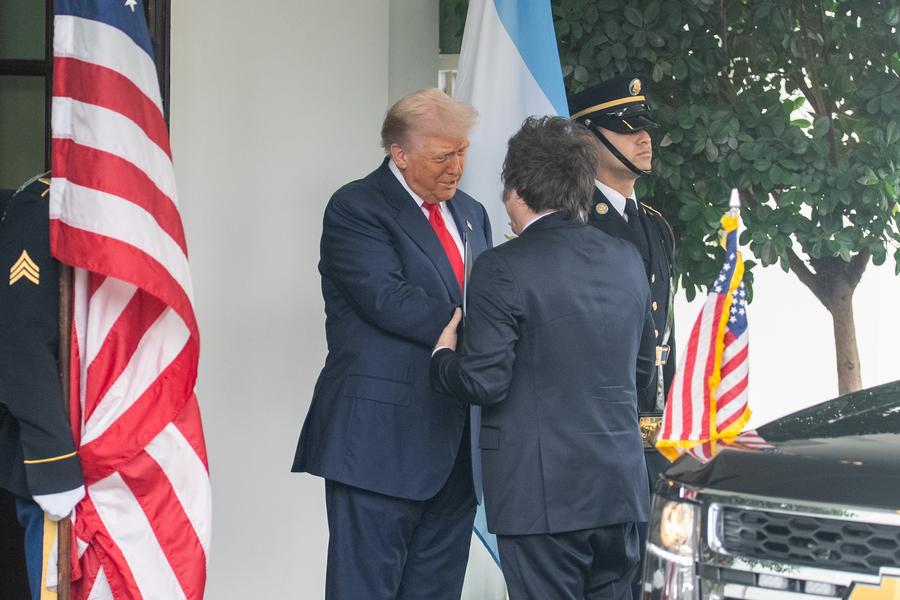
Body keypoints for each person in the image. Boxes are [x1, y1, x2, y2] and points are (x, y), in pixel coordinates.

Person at [431, 116, 654, 599]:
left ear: (515, 189)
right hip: (622, 491)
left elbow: (485, 381)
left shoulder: (501, 266)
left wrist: (442, 358)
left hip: (542, 498)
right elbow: (643, 374)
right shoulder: (627, 260)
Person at [291, 88, 492, 600]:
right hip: (379, 444)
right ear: (399, 154)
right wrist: (490, 332)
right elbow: (387, 299)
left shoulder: (472, 213)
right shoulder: (357, 207)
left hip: (457, 449)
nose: (456, 167)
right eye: (442, 156)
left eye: (462, 152)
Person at [568, 72, 677, 597]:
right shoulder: (574, 223)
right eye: (626, 127)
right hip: (595, 432)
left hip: (651, 432)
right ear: (589, 139)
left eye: (644, 126)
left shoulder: (655, 224)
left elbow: (663, 331)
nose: (644, 138)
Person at [1, 173, 85, 600]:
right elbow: (22, 344)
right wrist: (56, 466)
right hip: (59, 457)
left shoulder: (132, 199)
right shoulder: (42, 204)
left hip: (118, 453)